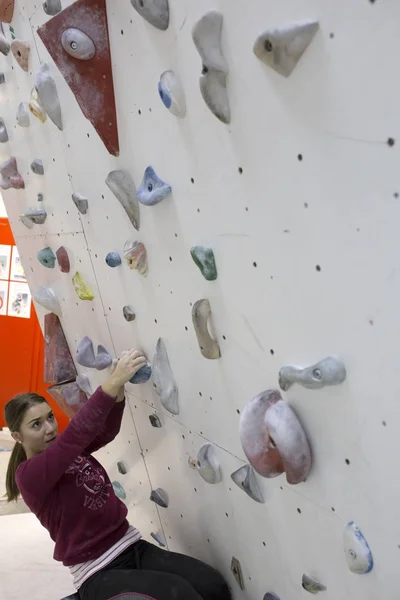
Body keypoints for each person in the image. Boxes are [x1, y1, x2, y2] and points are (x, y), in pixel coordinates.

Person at [4, 348, 231, 600]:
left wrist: (119, 393)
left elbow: (104, 432)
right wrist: (112, 382)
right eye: (36, 424)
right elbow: (76, 435)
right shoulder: (30, 475)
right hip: (98, 571)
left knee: (212, 586)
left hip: (131, 546)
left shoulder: (63, 451)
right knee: (184, 597)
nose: (49, 428)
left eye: (49, 418)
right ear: (16, 436)